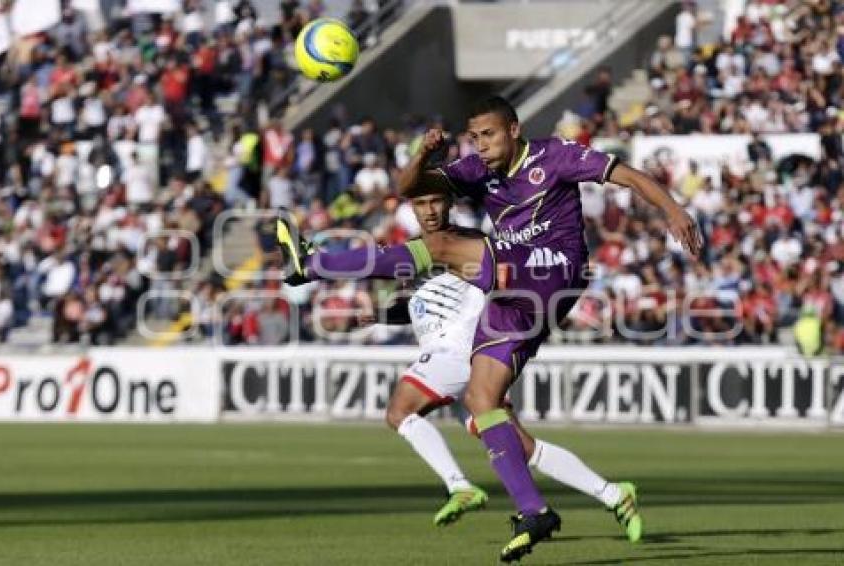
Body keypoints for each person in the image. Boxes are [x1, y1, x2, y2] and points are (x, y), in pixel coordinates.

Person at [276, 96, 700, 561]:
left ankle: (314, 264)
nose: (481, 146)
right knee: (482, 405)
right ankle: (534, 511)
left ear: (514, 130)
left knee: (436, 246)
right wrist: (423, 155)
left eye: (490, 135)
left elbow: (630, 176)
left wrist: (674, 211)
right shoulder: (476, 170)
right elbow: (409, 187)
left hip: (554, 269)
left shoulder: (553, 156)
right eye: (475, 137)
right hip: (509, 298)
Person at [354, 189, 645, 534]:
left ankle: (459, 485)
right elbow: (422, 303)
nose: (429, 211)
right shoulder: (420, 251)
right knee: (523, 449)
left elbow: (498, 277)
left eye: (436, 202)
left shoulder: (467, 242)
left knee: (400, 411)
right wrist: (379, 315)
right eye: (421, 204)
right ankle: (613, 494)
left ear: (449, 204)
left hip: (459, 351)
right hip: (468, 361)